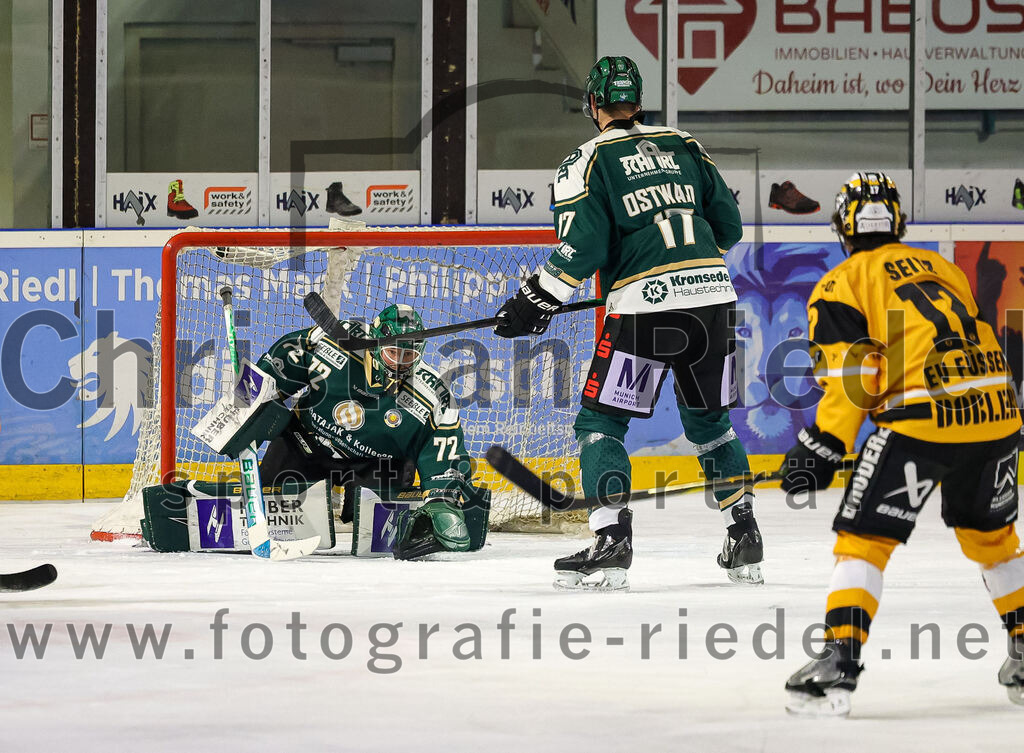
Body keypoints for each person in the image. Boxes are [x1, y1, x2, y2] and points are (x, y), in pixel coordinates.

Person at [494, 55, 763, 590]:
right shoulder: (685, 144)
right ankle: (746, 535)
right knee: (711, 426)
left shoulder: (587, 159)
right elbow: (728, 226)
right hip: (713, 303)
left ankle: (611, 540)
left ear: (593, 105)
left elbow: (584, 246)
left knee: (601, 425)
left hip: (646, 311)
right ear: (638, 101)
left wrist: (535, 298)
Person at [780, 172, 1024, 715]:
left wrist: (822, 443)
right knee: (993, 538)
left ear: (843, 226)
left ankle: (838, 664)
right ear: (899, 222)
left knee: (862, 539)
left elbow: (856, 372)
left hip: (921, 422)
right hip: (997, 413)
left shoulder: (841, 283)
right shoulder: (943, 267)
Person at [230, 303, 474, 560]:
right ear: (377, 343)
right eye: (393, 353)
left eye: (408, 356)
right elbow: (284, 359)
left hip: (376, 465)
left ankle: (358, 502)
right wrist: (246, 399)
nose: (400, 365)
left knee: (378, 538)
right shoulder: (330, 344)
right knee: (275, 506)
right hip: (306, 444)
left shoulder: (434, 396)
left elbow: (444, 451)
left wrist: (441, 502)